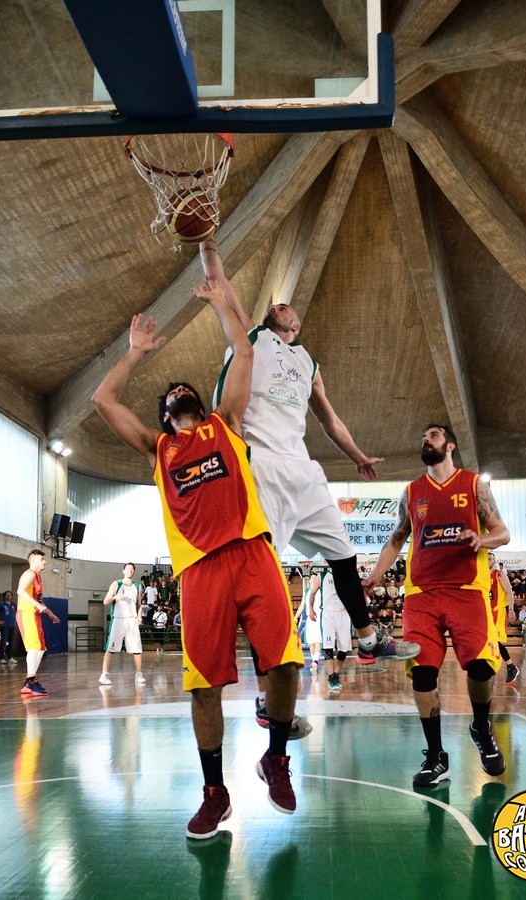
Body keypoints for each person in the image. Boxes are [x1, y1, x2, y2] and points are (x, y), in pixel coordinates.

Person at [91, 278, 304, 840]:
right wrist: (134, 354)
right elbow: (102, 401)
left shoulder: (225, 425)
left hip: (253, 553)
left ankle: (275, 758)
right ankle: (215, 793)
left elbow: (245, 353)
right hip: (201, 572)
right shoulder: (158, 449)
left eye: (187, 389)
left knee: (285, 663)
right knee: (204, 687)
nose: (181, 391)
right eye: (173, 394)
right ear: (165, 416)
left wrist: (219, 304)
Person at [199, 237, 420, 721]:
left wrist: (357, 456)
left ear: (296, 325)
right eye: (274, 306)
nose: (277, 305)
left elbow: (329, 419)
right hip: (261, 466)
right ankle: (265, 695)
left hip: (304, 471)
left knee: (344, 554)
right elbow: (219, 279)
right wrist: (206, 243)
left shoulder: (308, 362)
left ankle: (367, 639)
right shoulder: (252, 336)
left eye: (285, 307)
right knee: (260, 580)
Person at [363, 424, 510, 787]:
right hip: (421, 594)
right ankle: (436, 756)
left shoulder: (474, 485)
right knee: (423, 673)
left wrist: (482, 539)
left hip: (467, 590)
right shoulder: (412, 492)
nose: (425, 440)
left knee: (481, 668)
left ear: (450, 445)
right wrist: (376, 574)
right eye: (423, 437)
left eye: (433, 435)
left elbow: (503, 532)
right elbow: (396, 539)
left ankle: (481, 726)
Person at [16, 549, 60, 696]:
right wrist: (37, 605)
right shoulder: (30, 574)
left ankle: (31, 680)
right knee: (34, 647)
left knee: (41, 648)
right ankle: (30, 680)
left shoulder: (38, 578)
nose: (44, 561)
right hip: (26, 613)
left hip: (35, 614)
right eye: (42, 559)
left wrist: (50, 613)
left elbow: (39, 600)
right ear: (34, 560)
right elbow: (20, 591)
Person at [98, 563, 146, 686]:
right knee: (111, 648)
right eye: (128, 569)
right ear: (123, 571)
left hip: (132, 620)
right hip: (118, 620)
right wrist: (115, 597)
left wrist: (139, 616)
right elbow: (105, 601)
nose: (130, 571)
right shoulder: (116, 584)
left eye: (132, 569)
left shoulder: (137, 586)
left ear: (134, 572)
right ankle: (104, 675)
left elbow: (139, 604)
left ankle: (139, 675)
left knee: (137, 649)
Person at [309, 568, 351, 694]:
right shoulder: (321, 576)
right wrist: (311, 609)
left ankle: (336, 674)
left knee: (344, 648)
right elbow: (312, 593)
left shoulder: (346, 573)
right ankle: (331, 676)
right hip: (328, 614)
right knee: (328, 646)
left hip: (344, 614)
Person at [488, 553, 518, 685]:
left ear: (494, 561)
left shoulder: (499, 574)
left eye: (490, 559)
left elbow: (509, 592)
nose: (487, 561)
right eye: (486, 558)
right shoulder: (481, 575)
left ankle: (511, 666)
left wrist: (511, 609)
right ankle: (492, 665)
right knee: (486, 641)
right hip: (486, 612)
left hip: (498, 611)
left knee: (494, 640)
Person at [0, 590, 18, 664]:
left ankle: (10, 657)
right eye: (7, 595)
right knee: (3, 642)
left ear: (12, 596)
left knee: (12, 642)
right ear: (4, 596)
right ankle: (1, 658)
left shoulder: (14, 604)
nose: (8, 596)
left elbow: (19, 611)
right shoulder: (1, 604)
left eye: (10, 595)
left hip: (13, 625)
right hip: (5, 626)